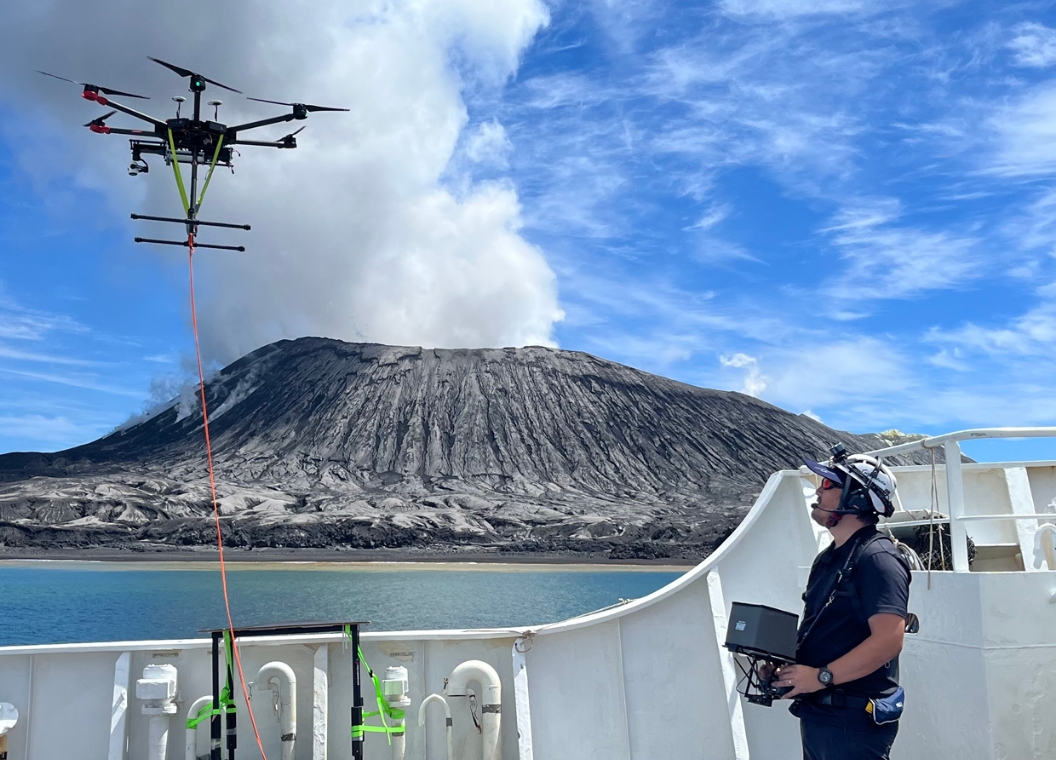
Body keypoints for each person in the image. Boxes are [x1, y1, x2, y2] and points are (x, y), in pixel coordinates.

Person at [770, 446, 911, 760]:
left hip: (853, 724)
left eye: (828, 484)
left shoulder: (878, 558)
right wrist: (787, 670)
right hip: (822, 717)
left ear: (857, 498)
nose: (818, 491)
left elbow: (889, 641)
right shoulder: (828, 559)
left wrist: (819, 677)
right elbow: (826, 630)